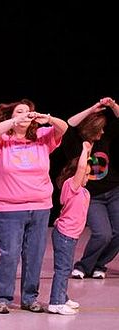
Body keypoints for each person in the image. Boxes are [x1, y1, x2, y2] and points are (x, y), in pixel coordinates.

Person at [0, 98, 68, 314]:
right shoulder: (1, 139)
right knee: (10, 253)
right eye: (18, 112)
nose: (24, 114)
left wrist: (46, 119)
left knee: (34, 255)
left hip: (40, 206)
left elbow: (64, 127)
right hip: (8, 208)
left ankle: (30, 297)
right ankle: (1, 297)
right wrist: (17, 120)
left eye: (27, 112)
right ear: (11, 117)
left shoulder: (41, 138)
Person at [63, 97, 119, 279]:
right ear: (91, 128)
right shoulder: (75, 144)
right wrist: (92, 108)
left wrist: (112, 106)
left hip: (114, 192)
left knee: (118, 233)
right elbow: (69, 124)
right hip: (92, 196)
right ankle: (84, 266)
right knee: (103, 234)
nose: (102, 132)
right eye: (99, 128)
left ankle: (99, 265)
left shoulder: (105, 139)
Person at [48, 141, 92, 315]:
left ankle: (62, 296)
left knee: (65, 267)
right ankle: (56, 302)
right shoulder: (71, 186)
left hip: (71, 236)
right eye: (85, 175)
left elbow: (83, 166)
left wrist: (88, 153)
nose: (87, 178)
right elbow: (81, 168)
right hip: (64, 234)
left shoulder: (82, 190)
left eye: (88, 175)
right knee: (63, 269)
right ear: (76, 174)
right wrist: (83, 151)